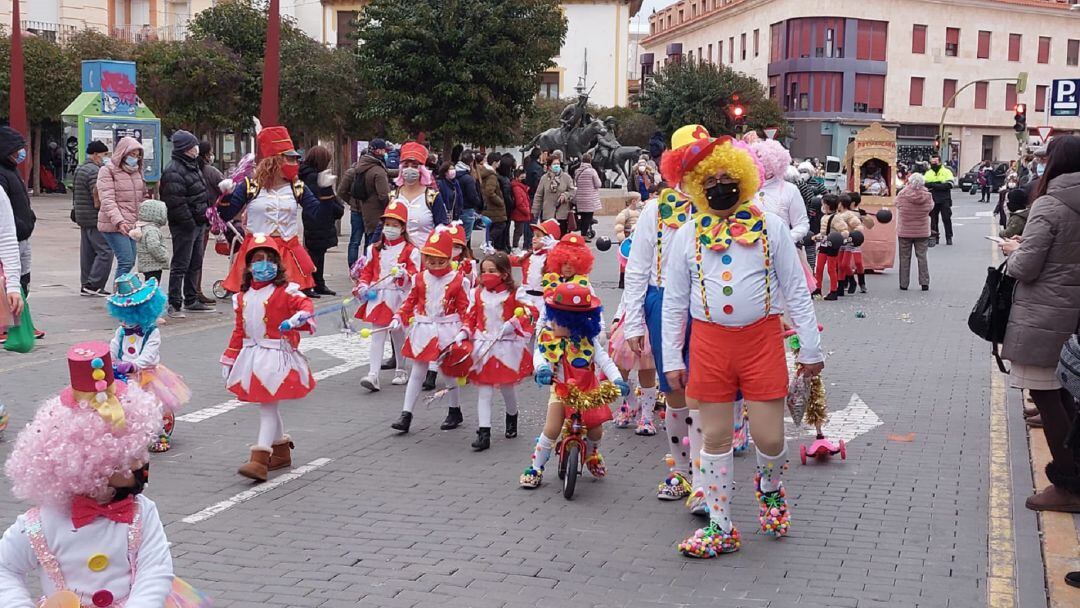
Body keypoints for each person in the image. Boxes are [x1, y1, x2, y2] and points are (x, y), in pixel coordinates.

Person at [659, 130, 823, 558]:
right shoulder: (687, 234)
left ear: (743, 178)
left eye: (724, 179)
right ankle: (720, 525)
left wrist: (811, 348)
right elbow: (675, 302)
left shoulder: (770, 226)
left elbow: (795, 288)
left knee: (769, 439)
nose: (718, 187)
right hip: (709, 345)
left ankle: (770, 487)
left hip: (761, 342)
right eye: (707, 182)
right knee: (714, 437)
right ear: (696, 187)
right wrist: (673, 356)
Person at [0, 342, 175, 605]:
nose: (142, 465)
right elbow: (5, 567)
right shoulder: (42, 522)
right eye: (126, 462)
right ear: (90, 468)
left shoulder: (143, 513)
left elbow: (155, 571)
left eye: (141, 453)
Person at [999, 135, 1080, 512]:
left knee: (1047, 396)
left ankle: (1067, 485)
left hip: (1046, 314)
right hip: (1073, 316)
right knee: (1065, 391)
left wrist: (1014, 250)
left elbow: (1025, 268)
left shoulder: (1050, 204)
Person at [221, 236, 316, 482]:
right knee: (269, 403)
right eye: (258, 260)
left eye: (269, 260)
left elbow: (305, 305)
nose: (264, 265)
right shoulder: (242, 297)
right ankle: (281, 451)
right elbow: (239, 331)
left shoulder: (286, 291)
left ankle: (260, 459)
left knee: (267, 405)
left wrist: (299, 318)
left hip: (277, 356)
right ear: (249, 265)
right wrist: (229, 359)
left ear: (278, 264)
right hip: (253, 355)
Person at [520, 278, 628, 488]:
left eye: (560, 322)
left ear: (575, 323)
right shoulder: (549, 339)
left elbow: (605, 360)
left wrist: (617, 379)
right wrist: (542, 368)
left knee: (595, 431)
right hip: (561, 390)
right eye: (553, 320)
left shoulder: (589, 342)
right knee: (551, 428)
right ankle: (536, 467)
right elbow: (540, 356)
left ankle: (591, 454)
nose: (554, 325)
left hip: (589, 392)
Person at [218, 125, 334, 298]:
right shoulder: (251, 187)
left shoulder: (297, 187)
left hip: (287, 255)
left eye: (296, 159)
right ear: (274, 160)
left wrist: (326, 192)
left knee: (284, 303)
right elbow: (225, 215)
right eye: (290, 159)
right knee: (255, 300)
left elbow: (319, 216)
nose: (295, 164)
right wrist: (226, 196)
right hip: (257, 254)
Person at [387, 229, 469, 434]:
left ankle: (454, 409)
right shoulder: (420, 278)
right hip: (423, 330)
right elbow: (410, 302)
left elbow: (465, 309)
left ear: (448, 259)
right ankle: (406, 414)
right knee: (417, 372)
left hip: (448, 330)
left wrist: (464, 331)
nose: (434, 265)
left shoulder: (459, 280)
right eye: (430, 261)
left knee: (449, 373)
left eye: (440, 261)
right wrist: (399, 317)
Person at [106, 273, 191, 453]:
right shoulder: (121, 332)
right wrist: (108, 359)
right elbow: (113, 347)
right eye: (122, 316)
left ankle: (161, 433)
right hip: (123, 375)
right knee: (122, 405)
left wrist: (134, 365)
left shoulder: (152, 333)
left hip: (146, 374)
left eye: (129, 316)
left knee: (154, 405)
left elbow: (148, 354)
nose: (124, 321)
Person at [462, 252, 536, 451]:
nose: (486, 274)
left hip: (506, 347)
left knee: (506, 388)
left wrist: (513, 323)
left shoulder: (515, 293)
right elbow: (471, 315)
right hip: (483, 345)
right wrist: (464, 332)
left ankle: (512, 416)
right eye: (484, 271)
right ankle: (483, 432)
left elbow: (531, 312)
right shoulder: (476, 293)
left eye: (492, 271)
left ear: (504, 273)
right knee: (484, 390)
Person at [354, 202, 420, 391]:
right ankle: (373, 374)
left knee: (398, 333)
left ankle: (401, 369)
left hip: (399, 298)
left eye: (394, 225)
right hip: (378, 297)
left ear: (403, 227)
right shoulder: (374, 248)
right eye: (387, 224)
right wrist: (363, 286)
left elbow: (416, 277)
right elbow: (367, 271)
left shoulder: (411, 251)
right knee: (377, 335)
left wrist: (404, 275)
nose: (390, 229)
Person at [161, 130, 212, 317]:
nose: (196, 149)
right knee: (181, 264)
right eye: (192, 146)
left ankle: (191, 298)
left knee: (195, 262)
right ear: (184, 149)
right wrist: (190, 222)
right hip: (185, 225)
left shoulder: (193, 166)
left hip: (198, 223)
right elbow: (176, 202)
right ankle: (174, 302)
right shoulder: (174, 170)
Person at [299, 144, 345, 298]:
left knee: (319, 251)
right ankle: (312, 283)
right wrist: (337, 208)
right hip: (318, 218)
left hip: (314, 217)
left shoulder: (307, 175)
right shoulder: (314, 177)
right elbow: (327, 197)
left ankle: (318, 282)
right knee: (315, 253)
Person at [97, 136, 145, 280]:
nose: (134, 158)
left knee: (129, 262)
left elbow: (140, 197)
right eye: (132, 154)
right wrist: (119, 221)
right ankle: (119, 296)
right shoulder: (108, 171)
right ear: (123, 153)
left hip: (132, 223)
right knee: (126, 261)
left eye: (137, 155)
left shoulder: (137, 171)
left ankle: (124, 293)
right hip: (114, 224)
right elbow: (107, 199)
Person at [72, 140, 114, 296]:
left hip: (82, 216)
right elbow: (98, 195)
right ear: (96, 154)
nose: (105, 158)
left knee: (88, 252)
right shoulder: (95, 171)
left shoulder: (80, 168)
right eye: (104, 155)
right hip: (94, 217)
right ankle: (95, 283)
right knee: (106, 251)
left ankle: (86, 284)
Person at [341, 138, 390, 265]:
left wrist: (352, 202)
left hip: (357, 210)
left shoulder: (357, 169)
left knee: (355, 241)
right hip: (372, 212)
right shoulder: (377, 171)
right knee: (370, 242)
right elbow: (383, 195)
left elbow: (341, 191)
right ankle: (366, 267)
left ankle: (353, 268)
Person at [751, 140, 810, 243]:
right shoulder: (745, 189)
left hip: (780, 252)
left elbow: (802, 224)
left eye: (762, 165)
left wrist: (785, 239)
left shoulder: (789, 190)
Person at [394, 142, 450, 247]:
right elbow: (382, 227)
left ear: (421, 170)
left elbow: (442, 227)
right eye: (406, 165)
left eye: (415, 166)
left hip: (425, 255)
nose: (410, 169)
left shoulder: (432, 196)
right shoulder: (393, 196)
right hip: (398, 257)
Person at [0, 127, 34, 296]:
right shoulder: (2, 173)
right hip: (14, 235)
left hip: (22, 236)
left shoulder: (12, 170)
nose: (21, 153)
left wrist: (30, 218)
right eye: (17, 149)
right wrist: (19, 226)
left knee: (23, 277)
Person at [511, 219, 561, 312]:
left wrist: (556, 247)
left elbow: (571, 259)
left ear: (549, 238)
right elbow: (510, 260)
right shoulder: (527, 255)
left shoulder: (553, 258)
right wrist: (495, 255)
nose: (534, 238)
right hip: (525, 298)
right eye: (534, 235)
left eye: (538, 236)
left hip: (543, 300)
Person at [894, 173, 933, 291]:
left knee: (904, 258)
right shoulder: (928, 196)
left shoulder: (902, 194)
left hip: (905, 231)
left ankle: (904, 284)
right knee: (922, 257)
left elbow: (897, 204)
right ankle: (924, 283)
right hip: (922, 231)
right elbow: (931, 208)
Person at [531, 157, 575, 236]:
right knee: (548, 238)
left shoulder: (566, 177)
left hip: (562, 214)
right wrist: (535, 211)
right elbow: (538, 196)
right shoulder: (544, 178)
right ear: (549, 166)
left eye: (558, 164)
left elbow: (572, 191)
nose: (556, 166)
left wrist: (565, 195)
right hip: (548, 214)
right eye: (554, 164)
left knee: (561, 238)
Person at [131, 199, 169, 284]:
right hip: (153, 264)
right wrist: (163, 256)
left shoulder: (143, 227)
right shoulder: (152, 230)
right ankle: (152, 297)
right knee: (153, 285)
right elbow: (153, 246)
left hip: (146, 264)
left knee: (149, 283)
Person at [478, 152, 509, 251]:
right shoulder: (491, 175)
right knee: (500, 225)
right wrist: (500, 201)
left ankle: (489, 245)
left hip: (487, 206)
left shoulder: (484, 172)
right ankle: (487, 242)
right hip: (493, 207)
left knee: (492, 226)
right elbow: (490, 192)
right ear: (495, 162)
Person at [613, 192, 643, 289]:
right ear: (633, 201)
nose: (640, 203)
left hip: (636, 238)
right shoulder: (625, 213)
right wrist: (622, 239)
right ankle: (622, 280)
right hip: (627, 238)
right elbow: (619, 225)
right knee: (624, 261)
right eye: (639, 200)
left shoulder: (640, 212)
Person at [924, 155, 954, 246]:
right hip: (933, 199)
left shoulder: (946, 172)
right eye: (932, 163)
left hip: (945, 199)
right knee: (933, 220)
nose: (933, 164)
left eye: (935, 162)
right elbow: (925, 185)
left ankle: (949, 237)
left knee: (946, 218)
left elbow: (949, 185)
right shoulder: (928, 173)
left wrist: (933, 185)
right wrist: (940, 185)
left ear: (940, 162)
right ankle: (935, 237)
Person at [455, 150, 484, 243]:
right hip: (467, 209)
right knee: (465, 238)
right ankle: (463, 256)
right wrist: (479, 203)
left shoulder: (454, 174)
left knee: (457, 236)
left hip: (456, 209)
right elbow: (472, 195)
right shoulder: (468, 178)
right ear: (471, 162)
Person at [574, 152, 603, 241]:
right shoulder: (592, 171)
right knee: (588, 217)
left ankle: (582, 233)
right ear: (590, 161)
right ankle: (584, 235)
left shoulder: (577, 171)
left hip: (580, 198)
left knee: (583, 217)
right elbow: (598, 184)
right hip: (589, 198)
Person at [510, 168, 534, 251]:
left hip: (522, 213)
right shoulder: (517, 188)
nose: (524, 179)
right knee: (518, 231)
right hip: (520, 213)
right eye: (521, 177)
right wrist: (527, 211)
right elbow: (520, 203)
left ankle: (515, 246)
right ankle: (515, 246)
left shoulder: (521, 187)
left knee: (519, 231)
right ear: (517, 177)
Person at [435, 161, 465, 228]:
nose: (453, 171)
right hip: (445, 216)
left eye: (453, 168)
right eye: (450, 169)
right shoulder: (440, 184)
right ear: (445, 172)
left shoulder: (456, 183)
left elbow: (459, 197)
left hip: (455, 216)